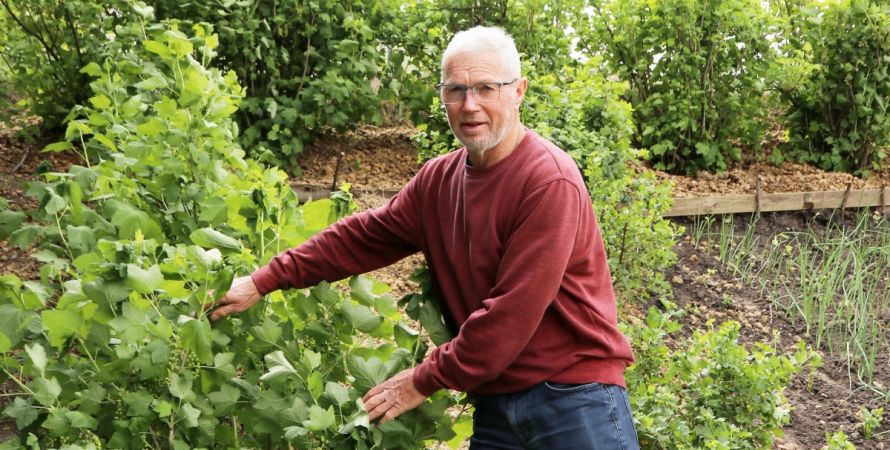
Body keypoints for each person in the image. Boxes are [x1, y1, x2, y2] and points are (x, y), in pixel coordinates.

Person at [211, 26, 640, 450]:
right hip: (495, 401)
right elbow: (360, 238)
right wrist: (262, 280)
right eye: (455, 90)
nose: (469, 105)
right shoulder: (439, 180)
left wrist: (423, 379)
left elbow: (511, 314)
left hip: (574, 399)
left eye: (486, 88)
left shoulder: (547, 180)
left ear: (518, 91)